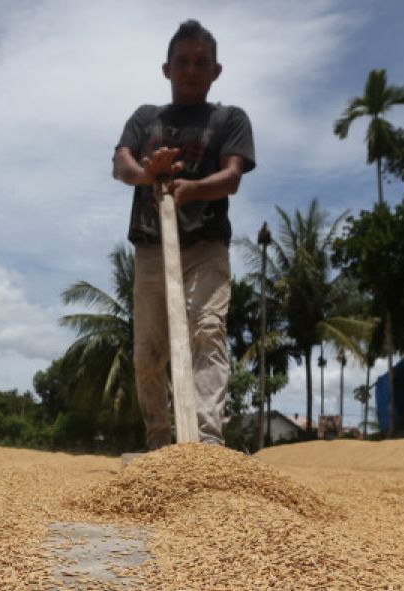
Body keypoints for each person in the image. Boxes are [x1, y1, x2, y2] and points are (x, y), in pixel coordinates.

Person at [112, 19, 255, 450]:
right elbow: (121, 163)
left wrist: (191, 189)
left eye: (201, 62)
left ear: (216, 71)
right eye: (183, 61)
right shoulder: (145, 118)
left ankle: (207, 445)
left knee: (208, 332)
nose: (191, 70)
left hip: (207, 246)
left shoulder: (230, 119)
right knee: (149, 353)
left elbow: (231, 177)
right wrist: (148, 175)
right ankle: (158, 444)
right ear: (166, 68)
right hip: (153, 248)